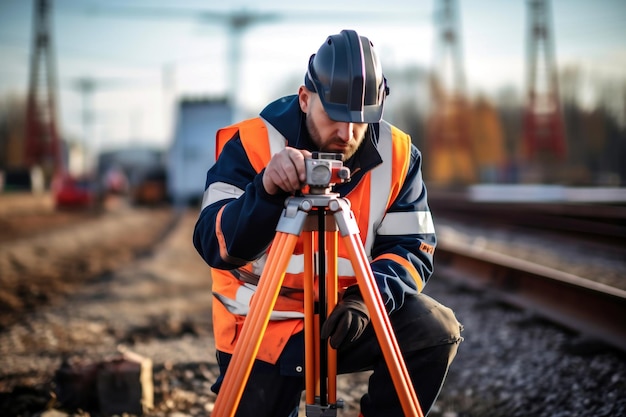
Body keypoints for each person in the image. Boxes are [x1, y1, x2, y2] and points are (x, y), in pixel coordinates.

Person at [193, 29, 463, 417]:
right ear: (305, 98)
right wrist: (266, 190)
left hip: (345, 320)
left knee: (435, 330)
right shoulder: (252, 144)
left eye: (362, 120)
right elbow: (213, 244)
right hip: (262, 330)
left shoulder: (399, 155)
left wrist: (367, 301)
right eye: (335, 116)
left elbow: (412, 249)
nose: (347, 133)